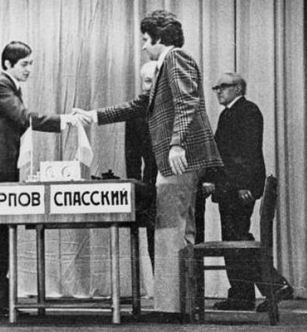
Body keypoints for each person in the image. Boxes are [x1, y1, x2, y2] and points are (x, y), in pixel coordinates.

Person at [74, 10, 222, 317]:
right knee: (181, 230)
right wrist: (94, 116)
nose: (143, 46)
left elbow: (187, 102)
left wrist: (177, 143)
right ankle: (184, 304)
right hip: (184, 159)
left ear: (159, 38)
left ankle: (170, 308)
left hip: (180, 159)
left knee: (169, 229)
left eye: (145, 39)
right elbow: (139, 105)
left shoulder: (175, 59)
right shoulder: (165, 65)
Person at [0, 41, 88, 318]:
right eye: (24, 64)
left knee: (0, 236)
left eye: (31, 63)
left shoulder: (10, 87)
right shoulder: (0, 86)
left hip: (0, 168)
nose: (30, 69)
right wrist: (63, 121)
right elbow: (23, 117)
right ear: (8, 64)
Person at [202, 72, 293, 312]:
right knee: (235, 240)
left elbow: (249, 152)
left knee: (238, 240)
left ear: (238, 89)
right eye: (216, 87)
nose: (218, 91)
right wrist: (213, 180)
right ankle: (241, 295)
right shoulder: (227, 114)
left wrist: (244, 186)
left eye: (223, 86)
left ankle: (276, 285)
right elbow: (221, 154)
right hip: (230, 188)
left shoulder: (248, 110)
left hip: (240, 188)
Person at [125, 61, 158, 269]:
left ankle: (192, 300)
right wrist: (135, 188)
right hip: (151, 183)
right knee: (154, 238)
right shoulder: (136, 111)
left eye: (151, 81)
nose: (147, 87)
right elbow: (132, 155)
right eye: (145, 82)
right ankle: (164, 295)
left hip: (181, 182)